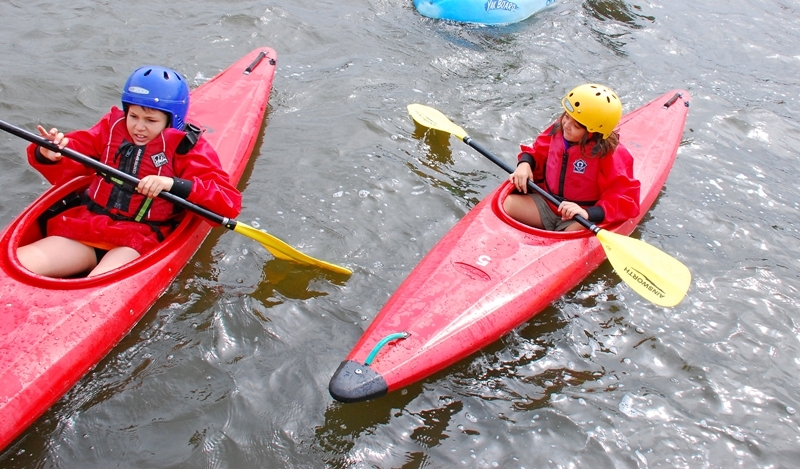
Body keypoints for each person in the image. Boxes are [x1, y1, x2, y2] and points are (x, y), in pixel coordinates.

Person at [18, 65, 242, 277]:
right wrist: (47, 152)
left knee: (95, 287)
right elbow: (73, 159)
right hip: (87, 227)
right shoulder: (111, 129)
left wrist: (171, 184)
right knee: (19, 264)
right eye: (133, 116)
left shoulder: (188, 149)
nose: (139, 127)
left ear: (171, 121)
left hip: (137, 240)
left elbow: (227, 201)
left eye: (151, 120)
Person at [503, 83, 641, 231]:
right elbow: (537, 150)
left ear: (594, 132)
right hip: (546, 204)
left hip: (578, 217)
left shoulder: (611, 155)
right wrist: (525, 164)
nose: (567, 125)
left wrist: (588, 213)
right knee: (507, 204)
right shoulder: (558, 130)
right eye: (567, 117)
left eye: (576, 126)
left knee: (567, 234)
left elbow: (626, 199)